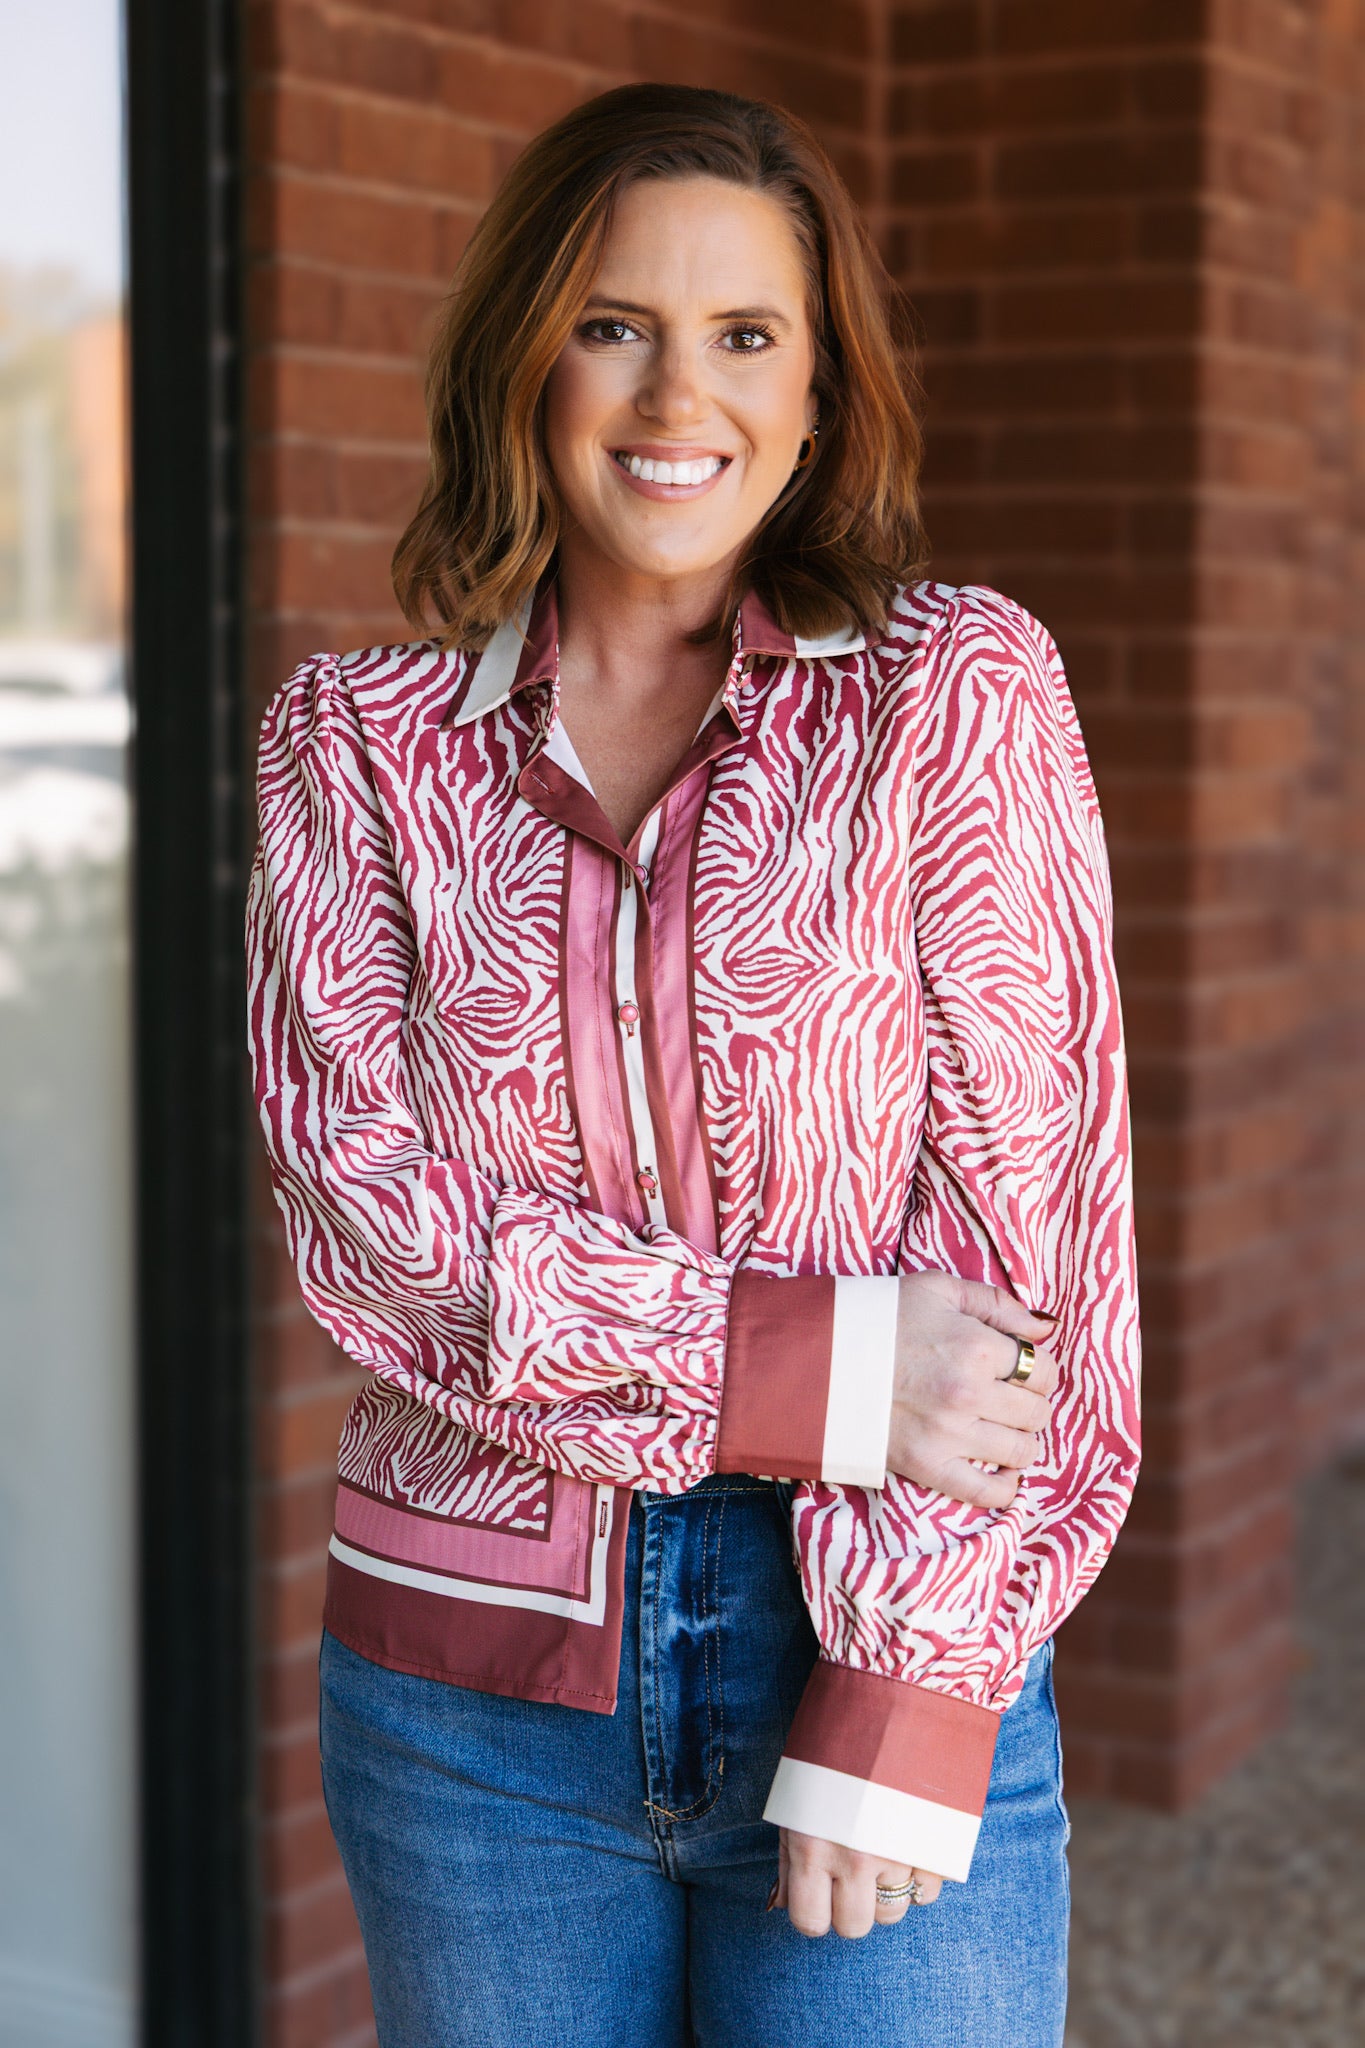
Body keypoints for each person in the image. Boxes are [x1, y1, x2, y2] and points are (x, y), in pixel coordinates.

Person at [246, 81, 1140, 2048]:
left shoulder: (953, 694)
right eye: (612, 325)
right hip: (468, 1703)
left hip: (859, 1610)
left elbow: (1027, 1236)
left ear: (817, 393)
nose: (677, 397)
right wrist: (821, 1363)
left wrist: (907, 1682)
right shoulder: (357, 743)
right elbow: (372, 1232)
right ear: (523, 356)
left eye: (744, 334)